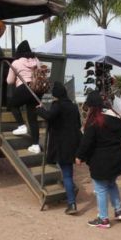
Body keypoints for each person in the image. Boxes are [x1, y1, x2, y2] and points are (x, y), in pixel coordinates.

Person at [76, 91, 121, 228]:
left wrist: (79, 157)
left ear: (91, 106)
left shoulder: (93, 122)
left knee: (100, 188)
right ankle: (118, 210)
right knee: (111, 183)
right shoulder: (116, 117)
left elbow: (86, 143)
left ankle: (103, 219)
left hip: (101, 161)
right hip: (117, 158)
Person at [36, 82, 82, 215]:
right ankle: (69, 190)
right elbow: (78, 123)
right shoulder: (73, 106)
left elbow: (49, 116)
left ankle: (72, 203)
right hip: (73, 143)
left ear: (55, 95)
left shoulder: (58, 105)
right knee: (68, 172)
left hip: (62, 144)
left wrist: (40, 109)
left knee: (67, 174)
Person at [6, 40, 42, 154]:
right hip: (36, 90)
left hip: (24, 87)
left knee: (12, 104)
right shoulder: (37, 60)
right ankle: (36, 145)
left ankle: (21, 126)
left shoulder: (16, 63)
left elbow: (9, 81)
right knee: (33, 118)